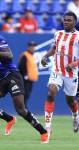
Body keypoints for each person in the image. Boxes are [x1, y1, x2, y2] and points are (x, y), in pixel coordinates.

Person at [0, 16, 48, 143]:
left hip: (12, 76)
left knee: (20, 109)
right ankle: (9, 119)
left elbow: (9, 55)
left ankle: (43, 131)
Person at [41, 12, 79, 141]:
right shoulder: (58, 34)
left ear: (74, 22)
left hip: (71, 73)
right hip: (57, 70)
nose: (66, 22)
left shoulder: (78, 36)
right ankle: (48, 127)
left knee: (71, 101)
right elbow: (54, 48)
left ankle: (75, 115)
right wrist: (45, 56)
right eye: (64, 20)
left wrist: (74, 64)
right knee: (51, 92)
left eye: (69, 20)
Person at [18, 41, 38, 108]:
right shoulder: (25, 55)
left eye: (34, 46)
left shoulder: (31, 55)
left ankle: (24, 109)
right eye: (32, 46)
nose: (33, 48)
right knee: (24, 94)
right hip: (25, 79)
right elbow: (20, 66)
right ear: (28, 47)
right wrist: (24, 75)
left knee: (27, 95)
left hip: (30, 79)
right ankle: (23, 109)